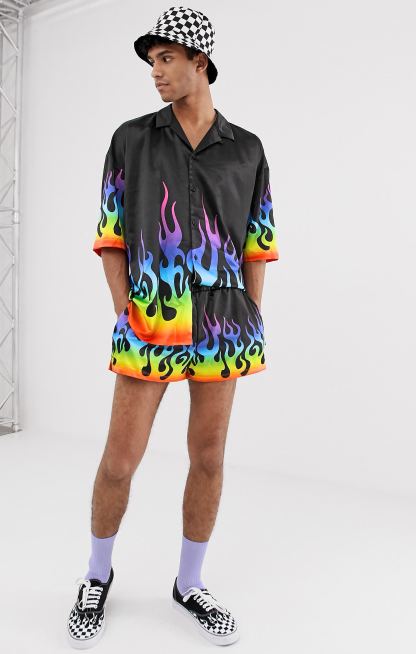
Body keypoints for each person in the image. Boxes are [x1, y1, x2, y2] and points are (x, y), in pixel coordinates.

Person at [66, 6, 279, 649]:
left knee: (208, 457)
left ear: (199, 62)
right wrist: (127, 310)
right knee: (119, 461)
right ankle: (96, 574)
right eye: (151, 62)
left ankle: (190, 584)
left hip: (223, 325)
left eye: (166, 59)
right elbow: (111, 237)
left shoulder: (248, 149)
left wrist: (251, 317)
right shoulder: (131, 139)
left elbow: (257, 243)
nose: (155, 72)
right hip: (151, 319)